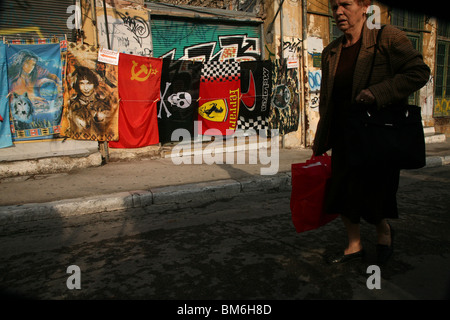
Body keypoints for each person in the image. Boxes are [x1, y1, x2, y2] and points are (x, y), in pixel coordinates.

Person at [312, 0, 430, 265]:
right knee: (342, 192)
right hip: (344, 136)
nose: (338, 12)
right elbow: (328, 100)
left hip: (377, 137)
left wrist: (378, 92)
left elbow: (419, 72)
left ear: (365, 7)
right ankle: (354, 246)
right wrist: (321, 138)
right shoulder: (332, 51)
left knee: (375, 194)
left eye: (345, 5)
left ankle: (383, 231)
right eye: (334, 7)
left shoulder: (386, 37)